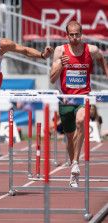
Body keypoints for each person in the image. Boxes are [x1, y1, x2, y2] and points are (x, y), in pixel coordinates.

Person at [50, 21, 108, 187]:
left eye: (77, 34)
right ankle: (73, 167)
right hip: (65, 99)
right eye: (71, 35)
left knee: (81, 121)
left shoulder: (92, 49)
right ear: (67, 35)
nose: (74, 38)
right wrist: (61, 63)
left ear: (81, 34)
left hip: (83, 97)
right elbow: (52, 78)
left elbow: (101, 60)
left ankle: (75, 163)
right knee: (69, 138)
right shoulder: (61, 51)